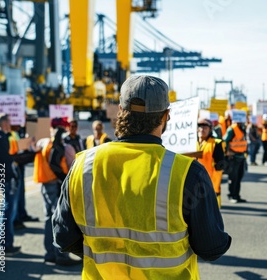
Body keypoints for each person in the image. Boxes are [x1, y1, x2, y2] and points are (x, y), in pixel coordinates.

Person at [52, 75, 231, 279]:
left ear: (120, 111)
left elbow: (63, 237)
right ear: (166, 116)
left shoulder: (83, 165)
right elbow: (211, 247)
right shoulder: (188, 173)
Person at [34, 118, 79, 266]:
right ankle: (60, 255)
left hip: (45, 183)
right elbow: (55, 163)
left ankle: (50, 253)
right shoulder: (56, 143)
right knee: (57, 219)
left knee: (49, 218)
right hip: (54, 183)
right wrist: (63, 180)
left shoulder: (44, 142)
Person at [0, 113, 21, 255]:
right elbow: (6, 158)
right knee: (7, 211)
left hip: (1, 175)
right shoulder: (1, 137)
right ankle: (6, 244)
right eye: (8, 122)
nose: (10, 124)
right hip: (7, 177)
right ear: (3, 123)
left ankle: (5, 243)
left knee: (6, 210)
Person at [197, 118, 227, 207]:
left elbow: (220, 165)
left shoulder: (216, 143)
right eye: (200, 126)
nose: (202, 129)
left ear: (210, 129)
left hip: (210, 182)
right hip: (195, 180)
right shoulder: (190, 142)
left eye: (205, 127)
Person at [223, 116, 248, 203]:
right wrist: (228, 151)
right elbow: (225, 140)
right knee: (233, 177)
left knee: (239, 177)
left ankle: (237, 195)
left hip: (241, 156)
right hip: (233, 157)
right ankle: (231, 195)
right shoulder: (232, 129)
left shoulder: (242, 128)